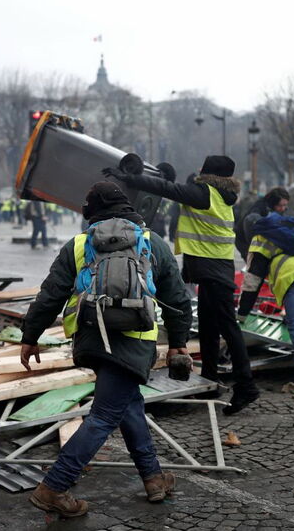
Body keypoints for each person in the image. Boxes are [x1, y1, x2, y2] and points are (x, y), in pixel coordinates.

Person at [20, 182, 192, 517]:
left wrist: (30, 334)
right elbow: (177, 298)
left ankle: (154, 478)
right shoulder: (150, 242)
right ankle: (54, 486)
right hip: (134, 340)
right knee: (104, 415)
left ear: (90, 212)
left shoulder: (80, 244)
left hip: (92, 338)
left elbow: (50, 293)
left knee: (128, 405)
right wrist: (178, 343)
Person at [104, 156, 260, 415]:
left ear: (207, 173)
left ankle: (246, 385)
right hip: (214, 268)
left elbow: (169, 190)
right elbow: (174, 187)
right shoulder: (221, 195)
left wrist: (128, 178)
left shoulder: (205, 193)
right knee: (210, 327)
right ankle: (210, 381)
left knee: (228, 328)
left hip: (213, 270)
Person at [237, 206, 294, 394]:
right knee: (293, 310)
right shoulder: (279, 222)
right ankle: (291, 315)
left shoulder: (258, 241)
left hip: (293, 275)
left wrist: (242, 314)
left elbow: (252, 283)